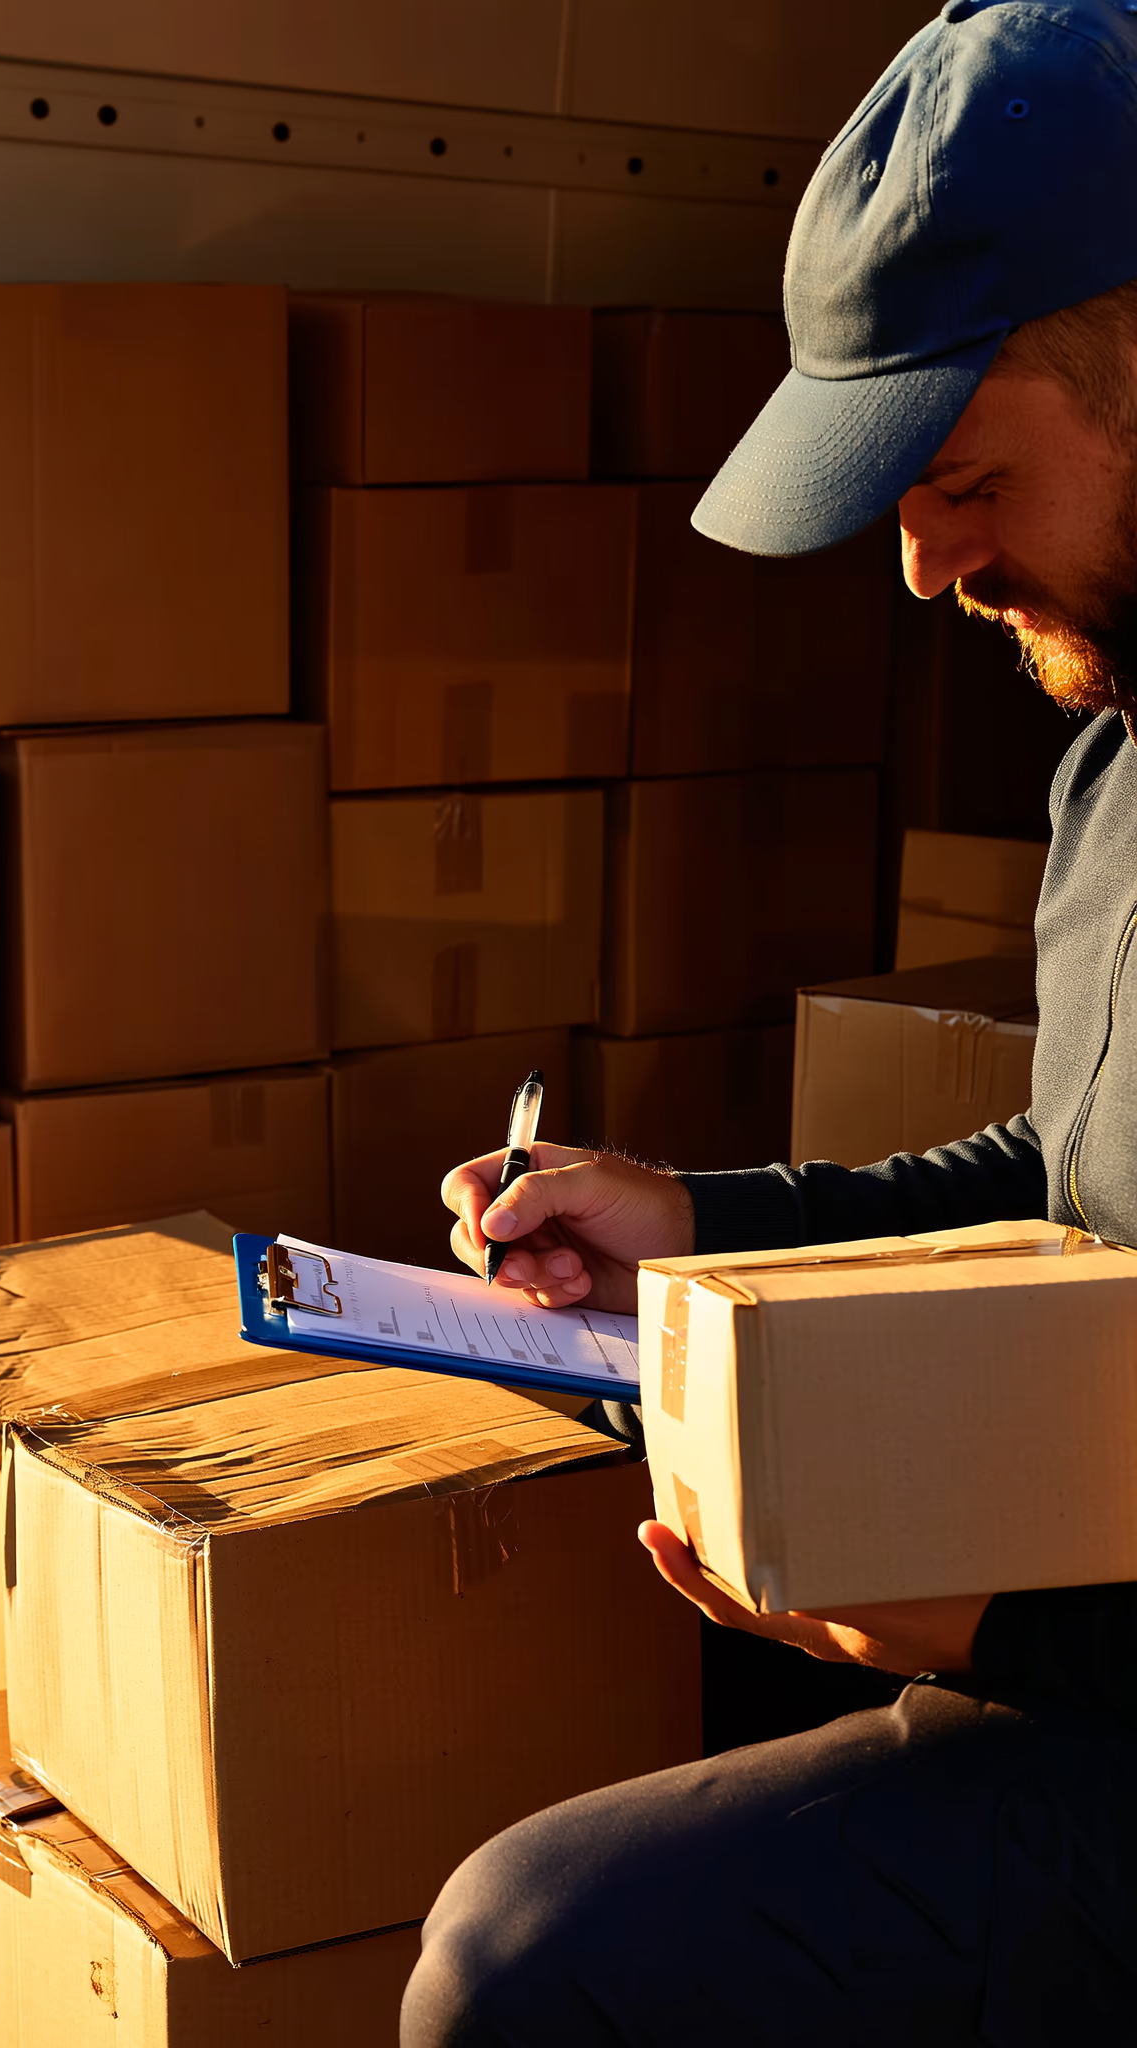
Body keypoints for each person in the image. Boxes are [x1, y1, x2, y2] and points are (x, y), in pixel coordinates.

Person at [399, 5, 1137, 2041]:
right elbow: (1080, 1180)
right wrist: (700, 1228)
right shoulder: (1117, 761)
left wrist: (1013, 1627)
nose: (922, 563)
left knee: (535, 1963)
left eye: (963, 475)